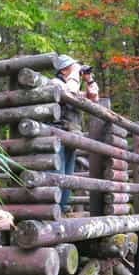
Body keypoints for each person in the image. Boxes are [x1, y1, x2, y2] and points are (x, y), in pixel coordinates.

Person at [51, 55, 100, 212]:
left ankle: (63, 209)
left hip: (72, 134)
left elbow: (94, 97)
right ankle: (53, 208)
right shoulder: (56, 83)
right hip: (58, 133)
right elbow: (70, 93)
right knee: (58, 171)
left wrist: (89, 79)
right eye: (74, 68)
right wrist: (75, 75)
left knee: (68, 174)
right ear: (64, 70)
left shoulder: (72, 86)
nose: (78, 71)